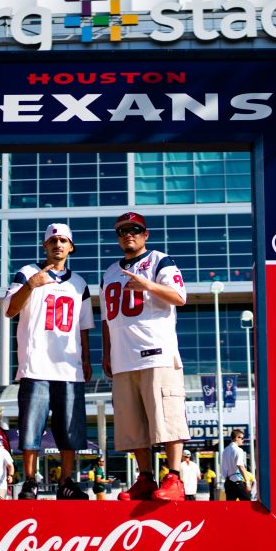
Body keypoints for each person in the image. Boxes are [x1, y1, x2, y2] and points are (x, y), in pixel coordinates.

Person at [101, 211, 190, 501]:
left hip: (157, 353)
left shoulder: (160, 260)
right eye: (123, 231)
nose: (129, 234)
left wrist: (148, 285)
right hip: (124, 357)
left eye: (135, 230)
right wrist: (107, 353)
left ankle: (174, 478)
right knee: (133, 426)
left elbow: (180, 296)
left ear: (145, 234)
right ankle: (145, 478)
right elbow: (105, 318)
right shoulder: (110, 272)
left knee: (166, 418)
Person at [2, 222, 94, 501]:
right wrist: (30, 286)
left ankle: (66, 481)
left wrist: (87, 360)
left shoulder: (80, 283)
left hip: (69, 367)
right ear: (45, 245)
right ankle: (30, 481)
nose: (58, 245)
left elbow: (83, 326)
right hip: (36, 364)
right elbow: (9, 310)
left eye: (63, 240)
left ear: (71, 247)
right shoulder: (28, 273)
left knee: (70, 429)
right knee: (31, 427)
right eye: (53, 240)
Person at [219, 429, 251, 501]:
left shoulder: (225, 450)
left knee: (230, 508)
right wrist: (247, 482)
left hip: (228, 483)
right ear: (237, 437)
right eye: (242, 438)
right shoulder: (238, 450)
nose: (243, 440)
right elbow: (241, 466)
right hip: (237, 481)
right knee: (247, 504)